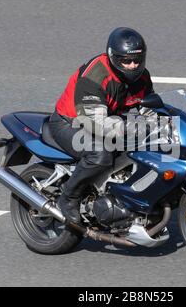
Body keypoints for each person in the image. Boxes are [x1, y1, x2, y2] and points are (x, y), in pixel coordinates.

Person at [49, 27, 154, 223]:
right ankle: (68, 198)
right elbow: (94, 122)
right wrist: (130, 128)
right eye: (126, 61)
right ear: (114, 57)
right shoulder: (95, 76)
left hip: (110, 119)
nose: (132, 66)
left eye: (137, 61)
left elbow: (148, 106)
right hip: (71, 123)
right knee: (100, 154)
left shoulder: (142, 77)